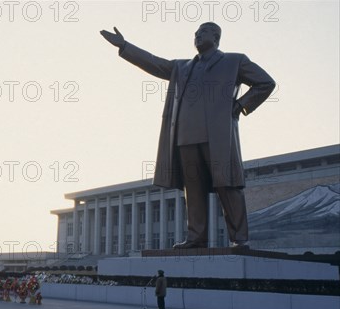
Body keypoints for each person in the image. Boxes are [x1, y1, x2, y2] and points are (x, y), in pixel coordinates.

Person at [100, 23, 275, 249]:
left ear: (216, 36)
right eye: (195, 34)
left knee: (228, 186)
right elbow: (154, 62)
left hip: (218, 137)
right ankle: (196, 238)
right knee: (193, 190)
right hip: (185, 137)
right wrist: (124, 46)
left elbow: (266, 82)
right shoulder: (181, 67)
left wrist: (240, 105)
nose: (197, 36)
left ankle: (239, 238)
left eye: (202, 32)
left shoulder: (234, 61)